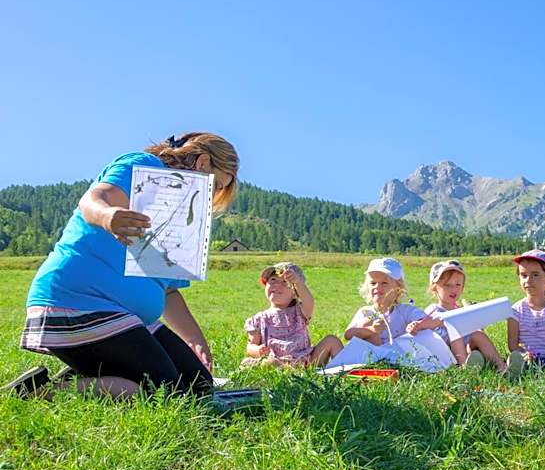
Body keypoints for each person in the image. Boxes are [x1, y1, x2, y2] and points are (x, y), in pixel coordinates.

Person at [5, 132, 238, 400]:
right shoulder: (143, 166)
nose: (213, 195)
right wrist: (107, 216)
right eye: (217, 185)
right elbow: (93, 200)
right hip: (79, 304)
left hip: (127, 317)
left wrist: (196, 340)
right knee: (162, 391)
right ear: (203, 163)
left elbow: (168, 292)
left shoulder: (181, 215)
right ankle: (41, 392)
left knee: (199, 387)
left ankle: (90, 376)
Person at [406, 259, 508, 371]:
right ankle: (464, 367)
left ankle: (501, 366)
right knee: (454, 328)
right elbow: (430, 322)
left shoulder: (458, 309)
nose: (453, 289)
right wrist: (416, 325)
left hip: (465, 347)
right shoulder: (434, 309)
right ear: (434, 287)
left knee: (478, 334)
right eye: (447, 285)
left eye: (458, 284)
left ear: (463, 287)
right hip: (446, 351)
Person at [241, 262, 342, 368]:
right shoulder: (258, 319)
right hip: (276, 360)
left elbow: (308, 301)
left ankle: (348, 372)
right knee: (263, 362)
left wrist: (298, 282)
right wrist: (258, 350)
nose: (277, 284)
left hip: (306, 361)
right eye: (273, 280)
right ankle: (286, 370)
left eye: (284, 282)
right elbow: (251, 346)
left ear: (294, 293)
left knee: (332, 340)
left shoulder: (299, 311)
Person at [344, 257, 428, 346]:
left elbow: (426, 320)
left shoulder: (405, 311)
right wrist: (370, 330)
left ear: (398, 289)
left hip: (397, 357)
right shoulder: (365, 312)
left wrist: (416, 324)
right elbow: (348, 334)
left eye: (384, 283)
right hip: (368, 358)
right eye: (373, 283)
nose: (377, 287)